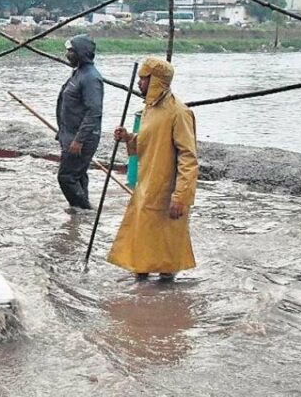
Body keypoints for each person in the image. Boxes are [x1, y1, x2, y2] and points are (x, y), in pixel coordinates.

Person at [108, 58, 198, 282]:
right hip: (147, 186)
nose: (139, 83)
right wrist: (128, 138)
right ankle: (142, 300)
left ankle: (166, 301)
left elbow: (188, 157)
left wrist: (181, 196)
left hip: (167, 191)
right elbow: (150, 142)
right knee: (142, 249)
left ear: (156, 80)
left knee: (166, 254)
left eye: (143, 79)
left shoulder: (179, 112)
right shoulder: (150, 109)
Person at [55, 34, 104, 210]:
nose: (67, 54)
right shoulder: (78, 73)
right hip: (70, 135)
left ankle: (84, 211)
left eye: (71, 51)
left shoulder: (91, 78)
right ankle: (79, 215)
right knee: (78, 175)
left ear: (81, 53)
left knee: (66, 177)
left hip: (81, 139)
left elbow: (94, 112)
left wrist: (79, 140)